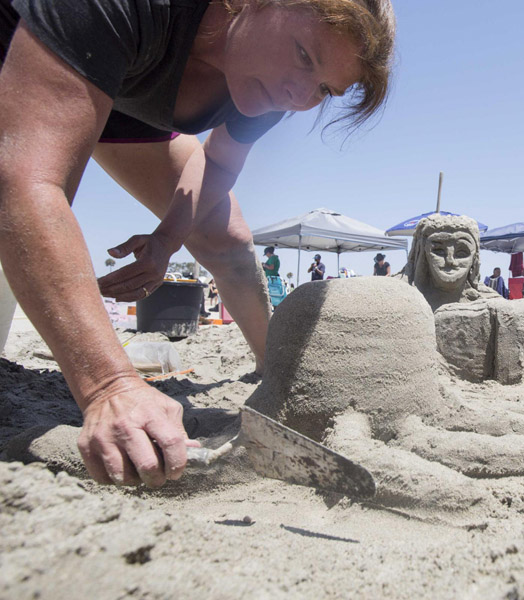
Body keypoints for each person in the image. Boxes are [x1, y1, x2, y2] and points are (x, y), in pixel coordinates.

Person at [0, 0, 395, 487]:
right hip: (28, 51)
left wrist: (167, 240)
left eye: (324, 89)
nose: (298, 94)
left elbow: (219, 163)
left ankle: (273, 371)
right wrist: (109, 385)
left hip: (127, 102)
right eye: (302, 55)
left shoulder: (276, 88)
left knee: (228, 239)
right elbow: (27, 183)